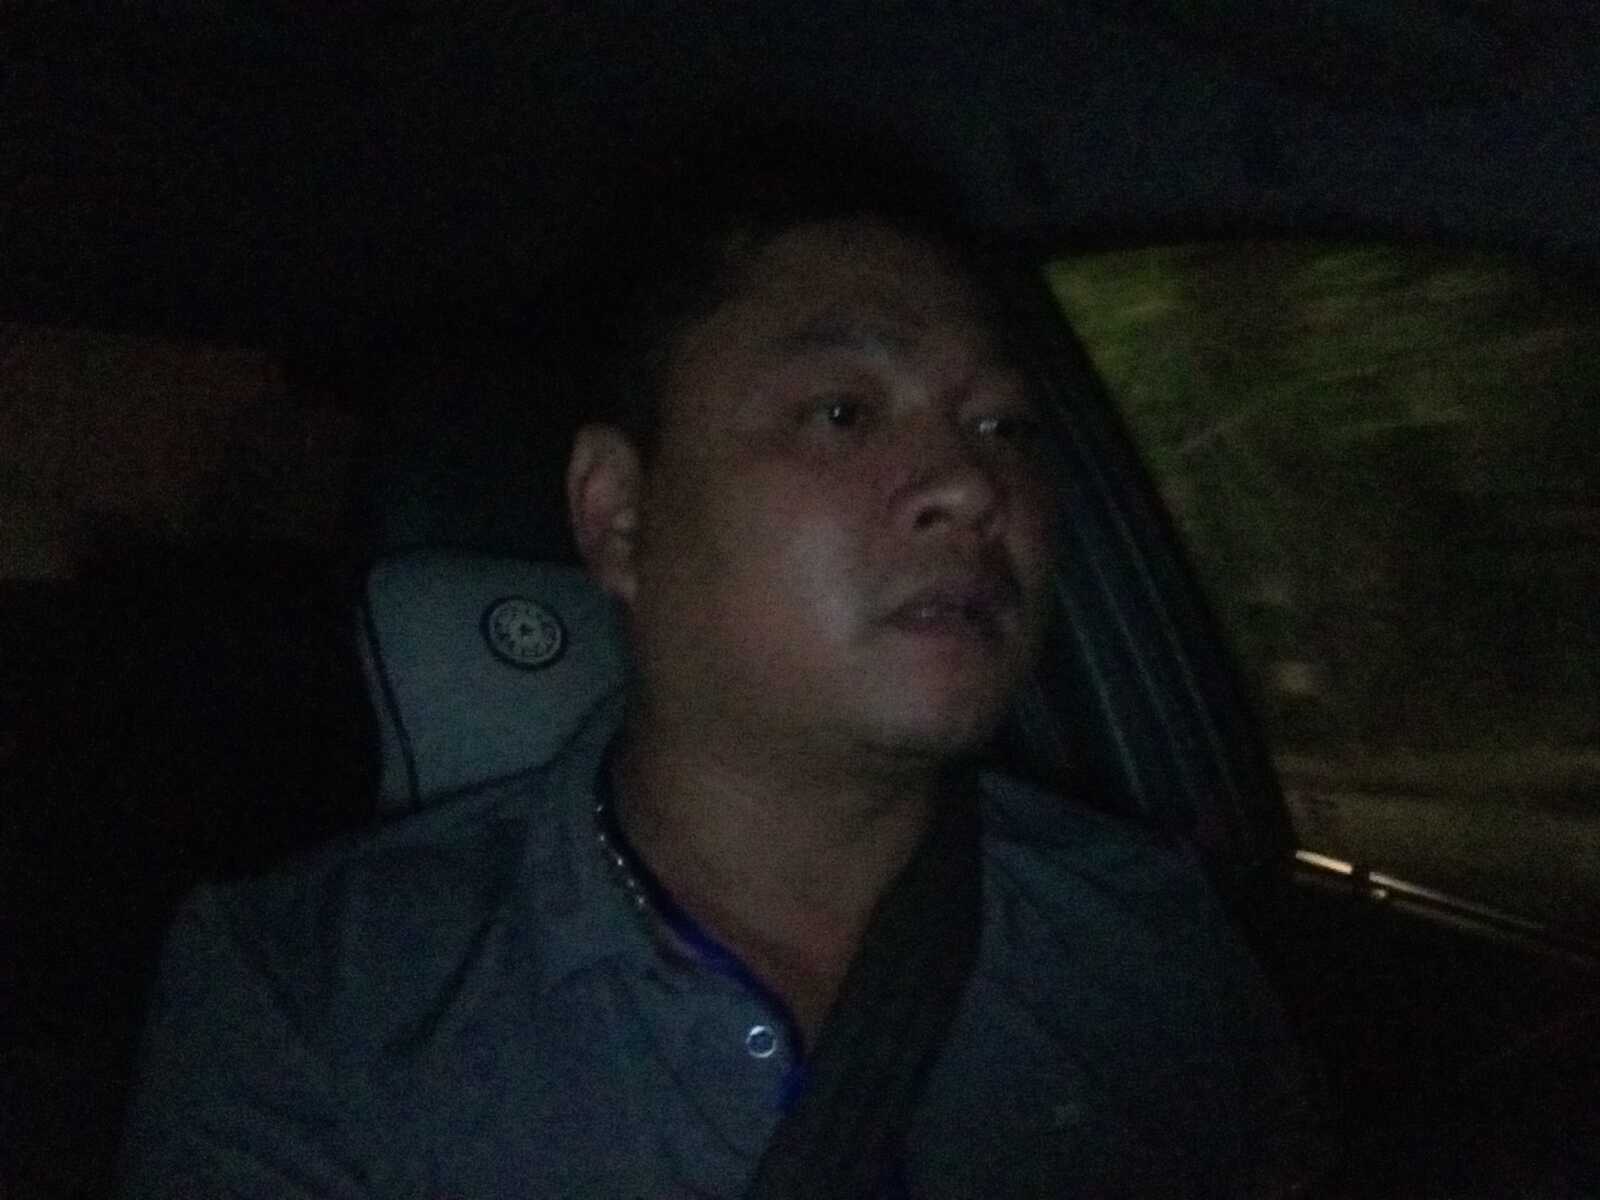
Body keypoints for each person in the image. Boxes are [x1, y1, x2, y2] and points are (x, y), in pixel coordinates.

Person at [118, 123, 1316, 1198]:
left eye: (1001, 424)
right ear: (619, 515)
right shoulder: (312, 997)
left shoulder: (1148, 947)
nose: (970, 484)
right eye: (842, 412)